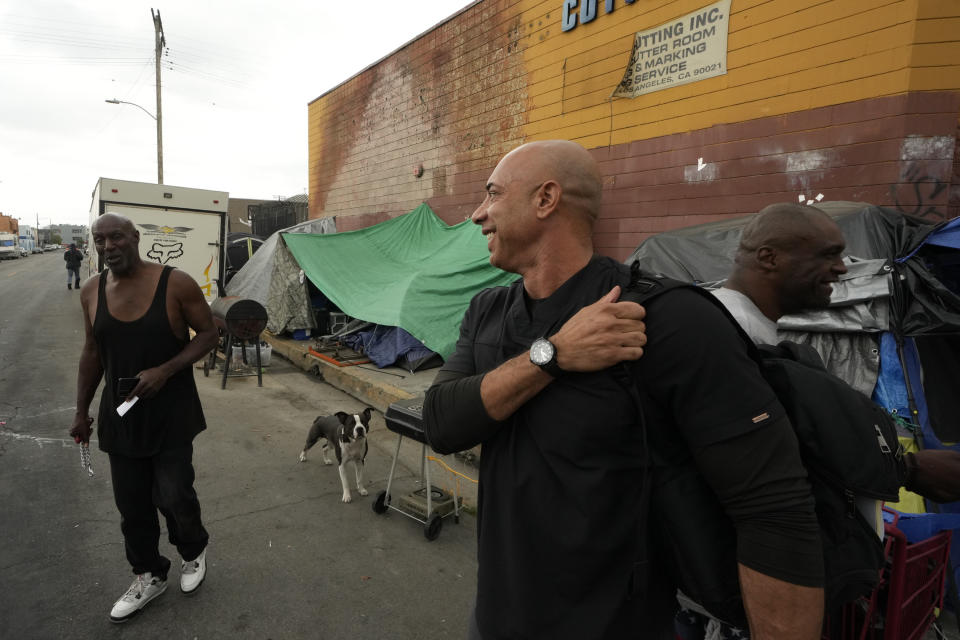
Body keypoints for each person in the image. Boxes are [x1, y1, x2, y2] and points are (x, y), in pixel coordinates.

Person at [422, 140, 825, 640]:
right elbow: (440, 422)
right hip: (495, 619)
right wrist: (553, 356)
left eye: (493, 194)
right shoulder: (487, 311)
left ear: (546, 200)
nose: (478, 214)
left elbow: (773, 508)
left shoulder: (669, 318)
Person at [716, 202, 960, 505]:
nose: (843, 267)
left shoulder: (752, 325)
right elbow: (752, 456)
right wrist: (906, 469)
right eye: (828, 254)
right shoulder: (729, 328)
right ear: (769, 258)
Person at [69, 213, 219, 623]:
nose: (107, 247)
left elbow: (209, 334)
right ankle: (149, 573)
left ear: (135, 237)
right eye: (99, 240)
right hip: (121, 418)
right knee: (132, 505)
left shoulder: (176, 283)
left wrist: (165, 371)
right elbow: (92, 352)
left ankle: (192, 552)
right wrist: (81, 411)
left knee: (173, 495)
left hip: (172, 415)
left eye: (115, 237)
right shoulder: (91, 290)